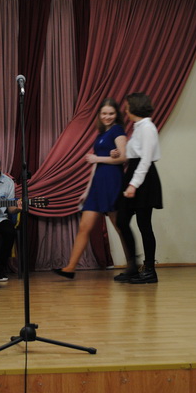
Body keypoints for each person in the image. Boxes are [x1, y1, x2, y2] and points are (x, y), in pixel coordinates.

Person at [53, 98, 127, 279]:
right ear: (99, 115)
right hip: (97, 185)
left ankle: (132, 266)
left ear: (116, 114)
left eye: (111, 113)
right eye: (104, 113)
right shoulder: (101, 134)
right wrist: (87, 190)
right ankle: (70, 268)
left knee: (120, 228)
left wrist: (97, 159)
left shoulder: (118, 130)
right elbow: (96, 165)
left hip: (112, 182)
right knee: (84, 227)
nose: (107, 116)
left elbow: (123, 157)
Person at [112, 92, 163, 284]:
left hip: (144, 179)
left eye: (127, 106)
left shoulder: (147, 127)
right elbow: (135, 154)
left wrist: (134, 184)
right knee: (122, 220)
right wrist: (117, 153)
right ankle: (133, 267)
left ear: (134, 107)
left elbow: (146, 159)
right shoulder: (138, 127)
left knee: (144, 224)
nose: (125, 109)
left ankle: (149, 270)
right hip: (135, 174)